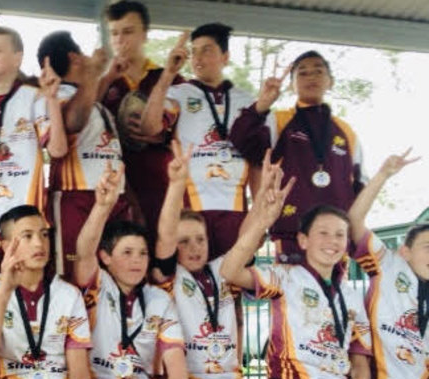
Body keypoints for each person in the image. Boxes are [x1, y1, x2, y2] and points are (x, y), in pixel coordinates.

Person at [219, 152, 372, 379]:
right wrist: (263, 221)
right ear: (303, 240)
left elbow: (359, 360)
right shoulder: (284, 277)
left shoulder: (351, 293)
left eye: (339, 235)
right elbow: (229, 271)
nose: (332, 241)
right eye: (323, 233)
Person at [141, 23, 269, 260]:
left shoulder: (249, 101)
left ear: (225, 57)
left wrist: (259, 217)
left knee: (232, 285)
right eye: (195, 51)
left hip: (235, 211)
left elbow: (258, 163)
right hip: (191, 211)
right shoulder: (179, 93)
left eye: (207, 50)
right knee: (191, 284)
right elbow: (149, 126)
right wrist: (168, 74)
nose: (198, 58)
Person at [72, 162, 188, 379]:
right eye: (127, 253)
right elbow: (84, 251)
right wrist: (102, 207)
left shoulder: (159, 299)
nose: (137, 260)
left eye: (143, 253)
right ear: (105, 257)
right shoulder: (97, 285)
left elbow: (175, 360)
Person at [250, 50, 366, 263]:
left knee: (332, 294)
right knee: (289, 294)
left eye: (318, 71)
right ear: (292, 84)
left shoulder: (346, 131)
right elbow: (245, 143)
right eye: (302, 73)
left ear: (330, 81)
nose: (311, 77)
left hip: (335, 238)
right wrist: (262, 104)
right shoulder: (278, 121)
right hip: (290, 232)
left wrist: (355, 231)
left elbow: (361, 186)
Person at [152, 140, 251, 379]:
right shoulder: (169, 276)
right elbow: (166, 234)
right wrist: (177, 185)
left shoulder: (223, 270)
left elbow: (248, 238)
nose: (195, 247)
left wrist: (263, 203)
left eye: (200, 239)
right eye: (184, 241)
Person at [0, 26, 67, 263]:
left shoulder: (35, 98)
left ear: (17, 57)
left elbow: (58, 150)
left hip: (29, 219)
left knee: (26, 285)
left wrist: (51, 99)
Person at [37, 31, 131, 276]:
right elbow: (74, 121)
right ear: (74, 57)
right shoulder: (54, 96)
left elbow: (88, 105)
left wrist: (107, 76)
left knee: (115, 276)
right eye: (83, 53)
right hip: (77, 197)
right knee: (76, 276)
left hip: (115, 198)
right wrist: (94, 73)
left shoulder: (91, 101)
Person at [0, 205, 92, 379]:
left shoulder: (69, 295)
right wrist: (4, 291)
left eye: (44, 234)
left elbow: (80, 376)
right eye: (28, 236)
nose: (39, 243)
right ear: (6, 246)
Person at [98, 0, 184, 241]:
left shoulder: (170, 79)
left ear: (145, 34)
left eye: (128, 32)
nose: (120, 40)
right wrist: (106, 78)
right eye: (114, 33)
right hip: (116, 188)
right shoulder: (104, 83)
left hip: (161, 186)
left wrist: (162, 132)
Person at [348, 149, 424, 379]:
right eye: (428, 247)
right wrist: (383, 175)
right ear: (405, 251)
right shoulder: (388, 265)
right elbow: (354, 221)